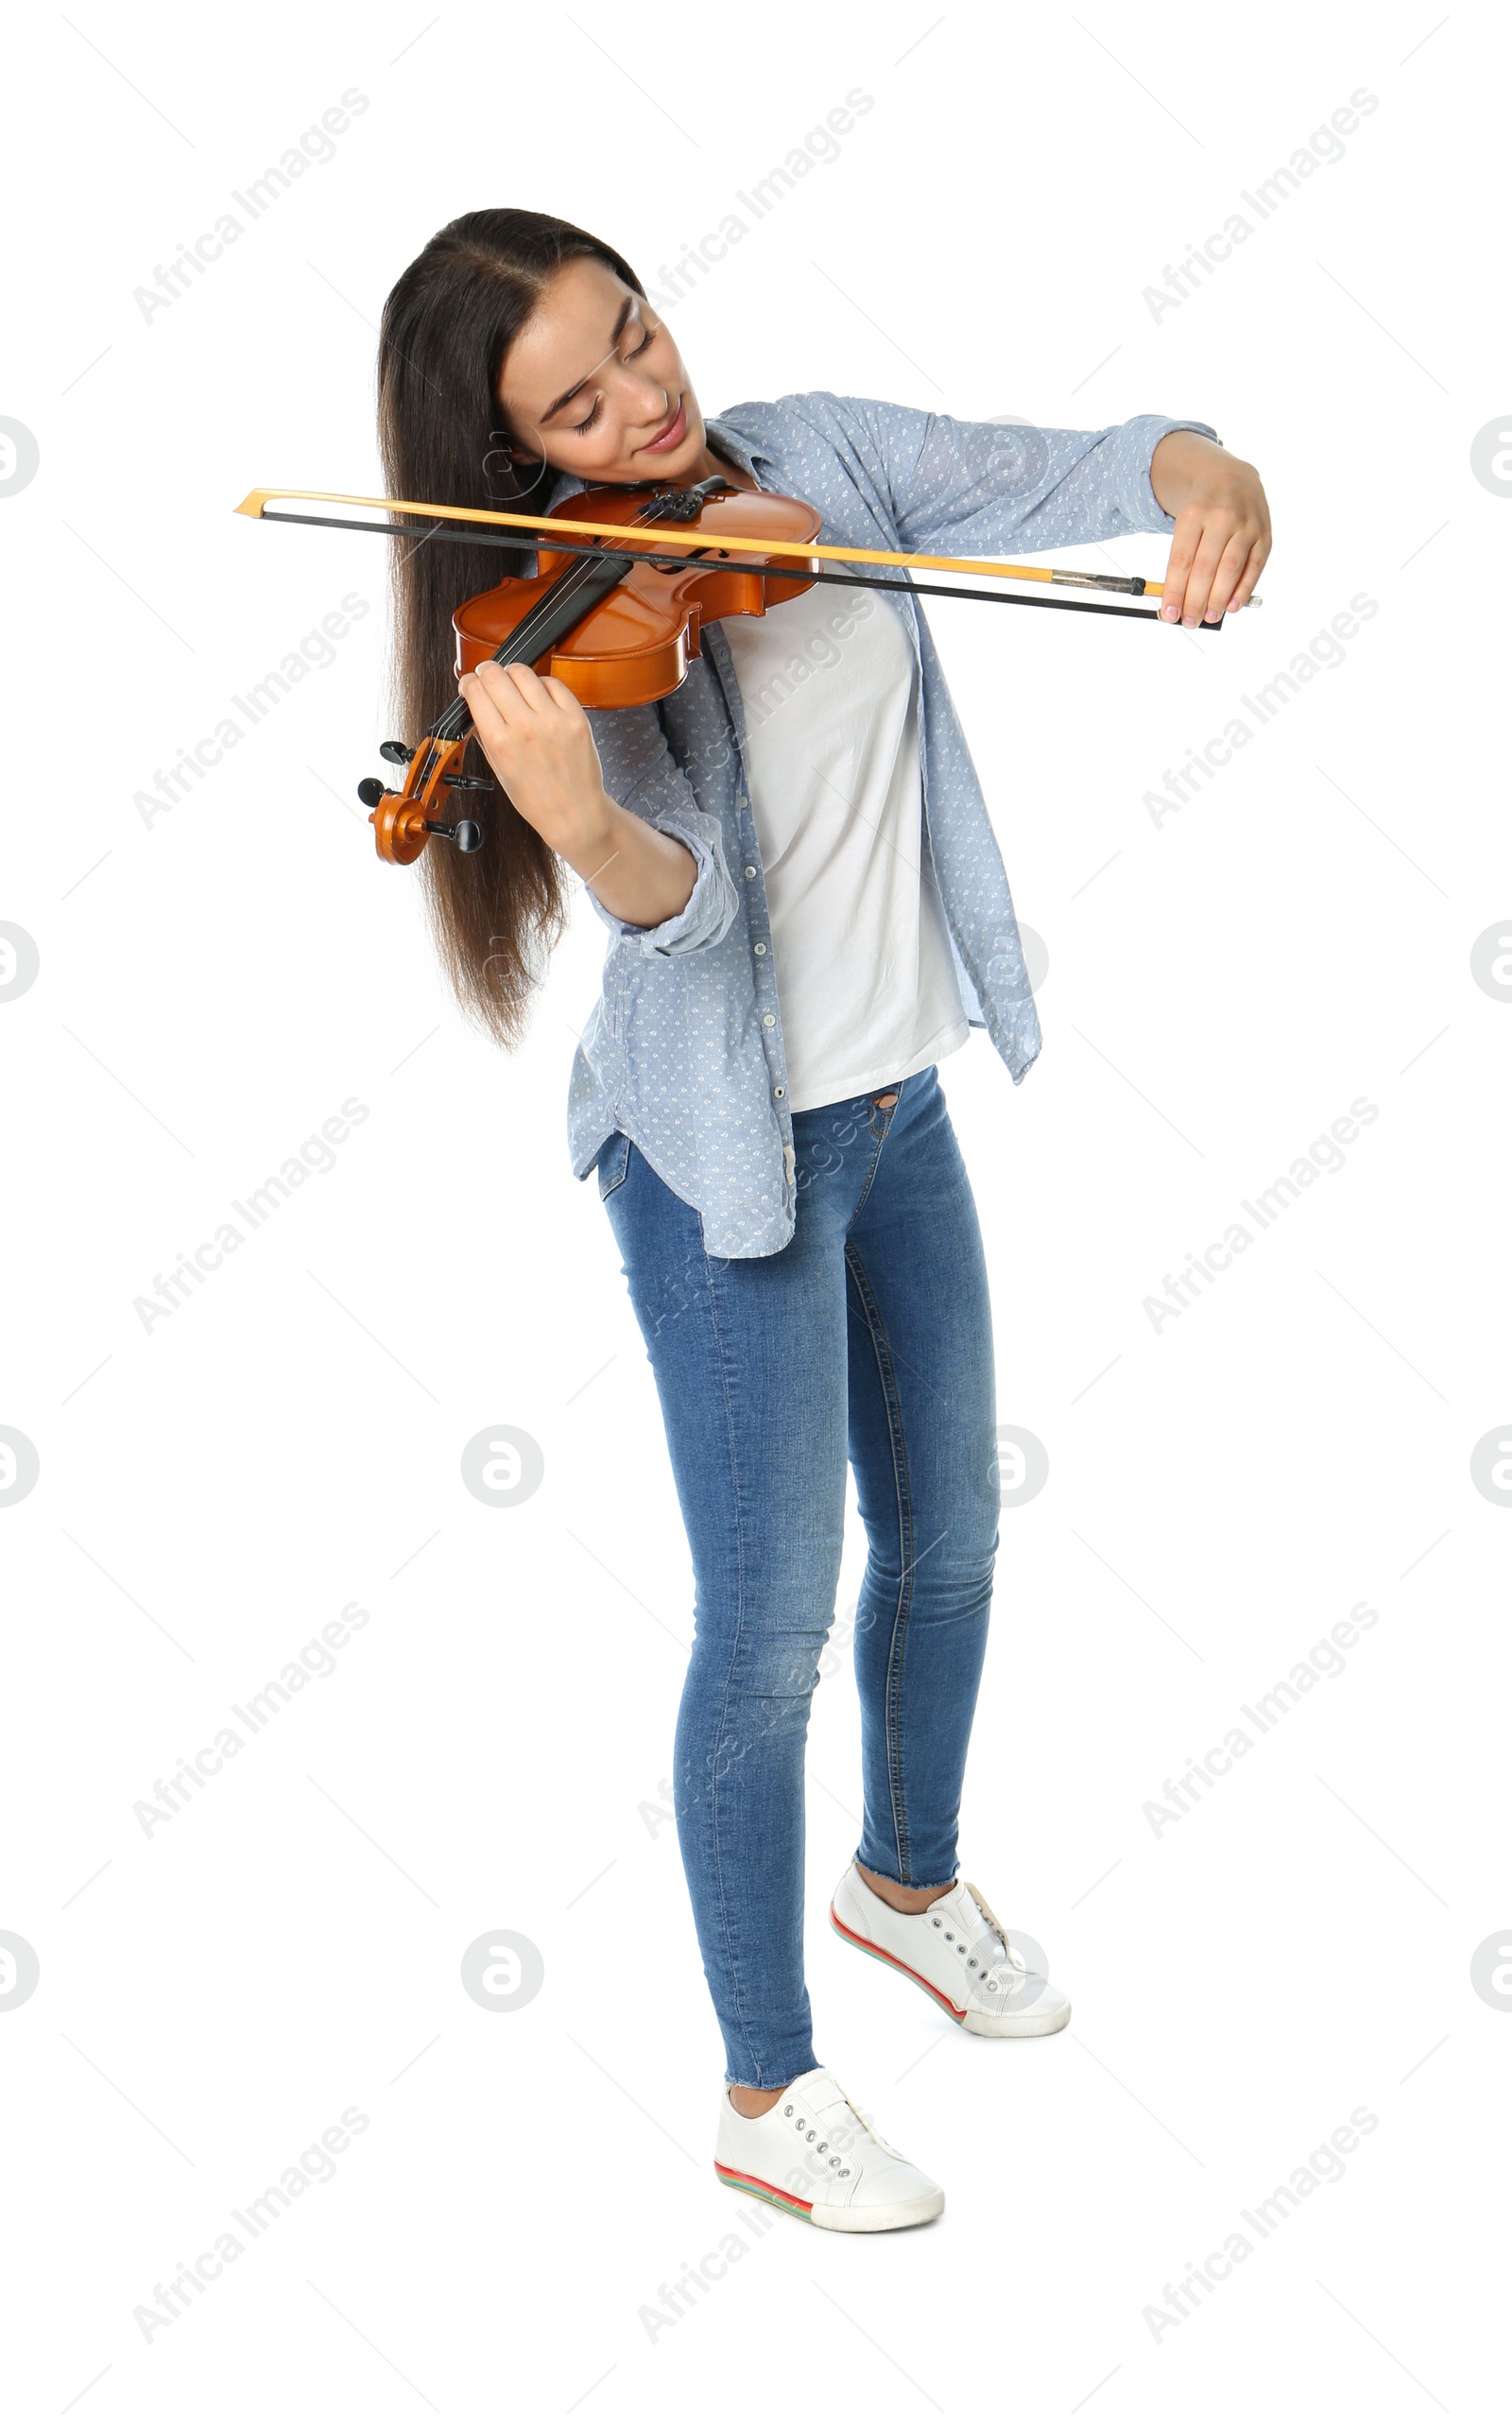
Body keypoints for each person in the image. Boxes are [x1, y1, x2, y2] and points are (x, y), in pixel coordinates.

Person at [376, 207, 1271, 2232]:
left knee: (949, 1532)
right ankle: (764, 2086)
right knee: (765, 1632)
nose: (646, 401)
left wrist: (1202, 473)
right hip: (726, 1163)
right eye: (576, 408)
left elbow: (1071, 463)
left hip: (895, 1098)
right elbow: (675, 923)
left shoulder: (818, 463)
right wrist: (585, 823)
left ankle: (904, 1875)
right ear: (511, 467)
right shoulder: (562, 641)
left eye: (636, 333)